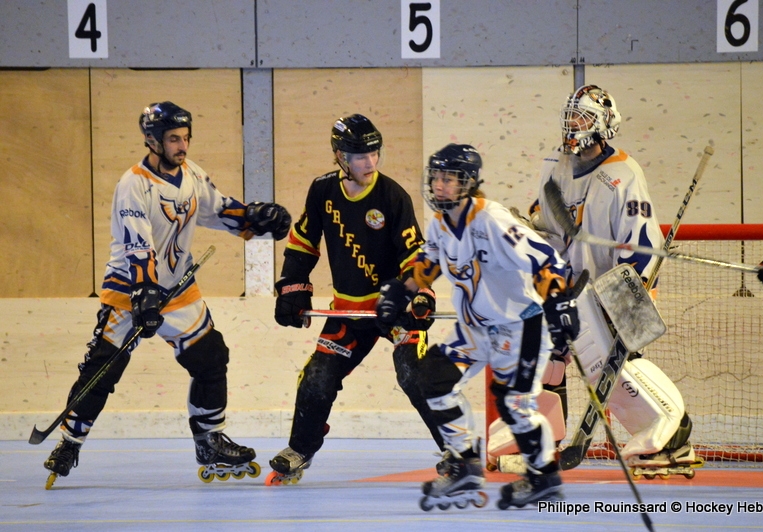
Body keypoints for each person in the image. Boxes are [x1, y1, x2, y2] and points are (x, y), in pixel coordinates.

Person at [42, 101, 292, 488]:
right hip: (130, 292)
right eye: (174, 139)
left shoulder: (191, 174)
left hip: (177, 292)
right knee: (102, 371)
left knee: (212, 358)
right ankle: (70, 442)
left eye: (186, 138)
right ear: (153, 141)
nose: (182, 146)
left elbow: (218, 209)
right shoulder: (133, 184)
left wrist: (254, 219)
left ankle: (209, 441)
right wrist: (144, 294)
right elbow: (136, 244)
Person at [378, 143, 578, 510]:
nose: (439, 185)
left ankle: (544, 476)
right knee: (432, 378)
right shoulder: (439, 223)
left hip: (521, 326)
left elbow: (546, 258)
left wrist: (560, 304)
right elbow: (427, 263)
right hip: (476, 329)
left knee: (513, 405)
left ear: (467, 183)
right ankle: (466, 463)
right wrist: (398, 291)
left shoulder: (492, 220)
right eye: (435, 177)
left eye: (448, 178)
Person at [267, 114, 445, 485]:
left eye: (375, 153)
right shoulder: (322, 191)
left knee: (414, 374)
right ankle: (300, 450)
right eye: (361, 155)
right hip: (348, 312)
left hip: (391, 309)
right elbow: (302, 242)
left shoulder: (392, 196)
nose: (370, 162)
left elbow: (414, 254)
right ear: (340, 156)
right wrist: (291, 286)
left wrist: (420, 295)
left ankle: (457, 452)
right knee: (317, 377)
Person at [530, 84, 697, 473]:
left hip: (612, 289)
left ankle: (672, 441)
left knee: (616, 370)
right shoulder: (554, 163)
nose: (573, 125)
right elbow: (546, 225)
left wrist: (625, 304)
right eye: (570, 117)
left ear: (604, 124)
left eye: (583, 117)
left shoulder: (623, 174)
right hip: (566, 287)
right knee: (548, 361)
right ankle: (542, 445)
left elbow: (640, 244)